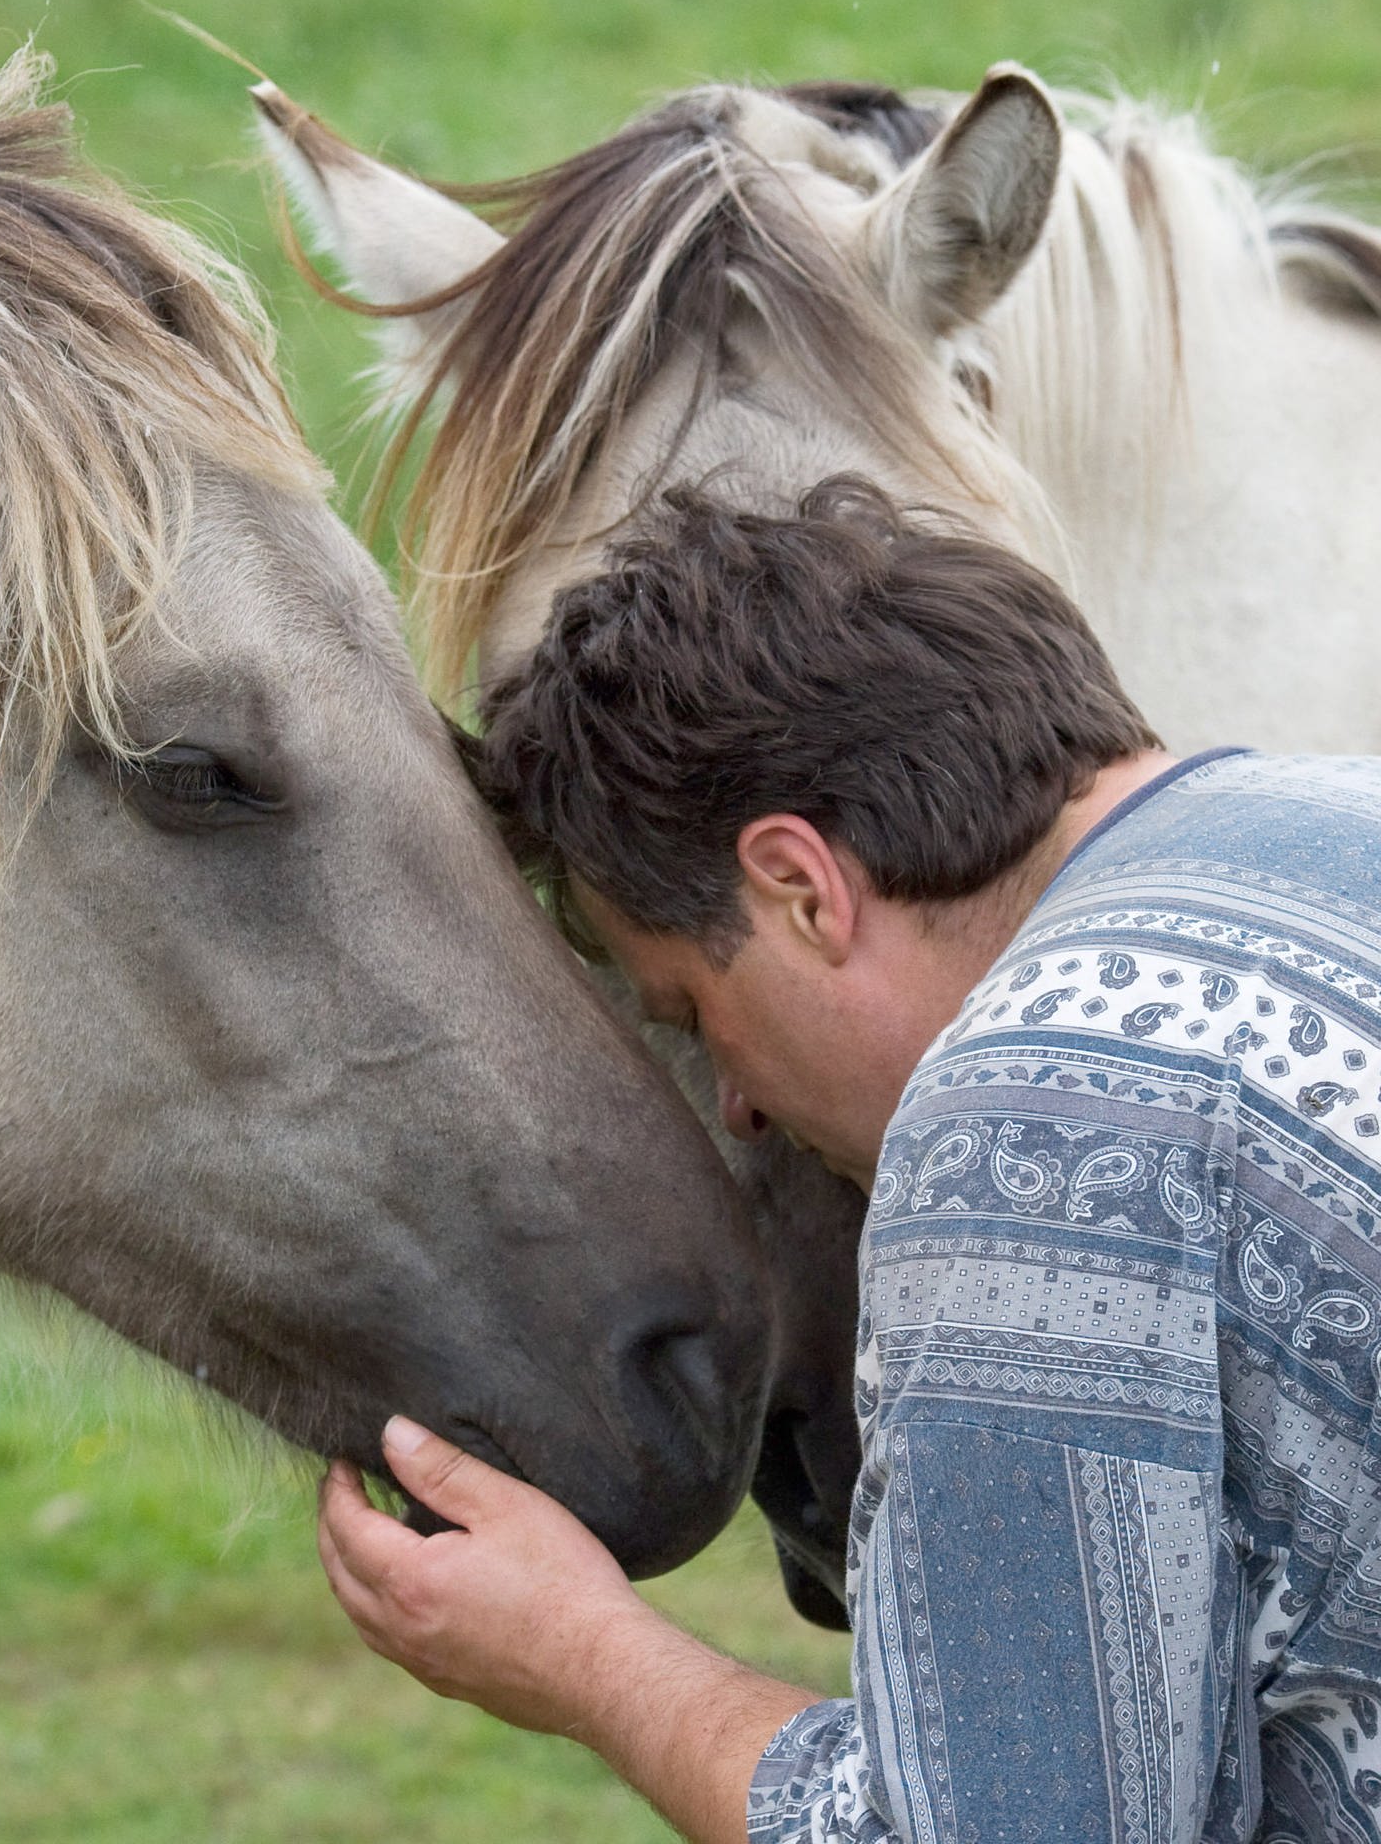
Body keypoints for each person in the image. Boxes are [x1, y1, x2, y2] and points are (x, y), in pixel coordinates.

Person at [315, 476, 1381, 1842]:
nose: (740, 1105)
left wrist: (583, 1655)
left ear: (801, 890)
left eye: (695, 1012)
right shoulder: (1333, 819)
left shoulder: (1028, 1143)